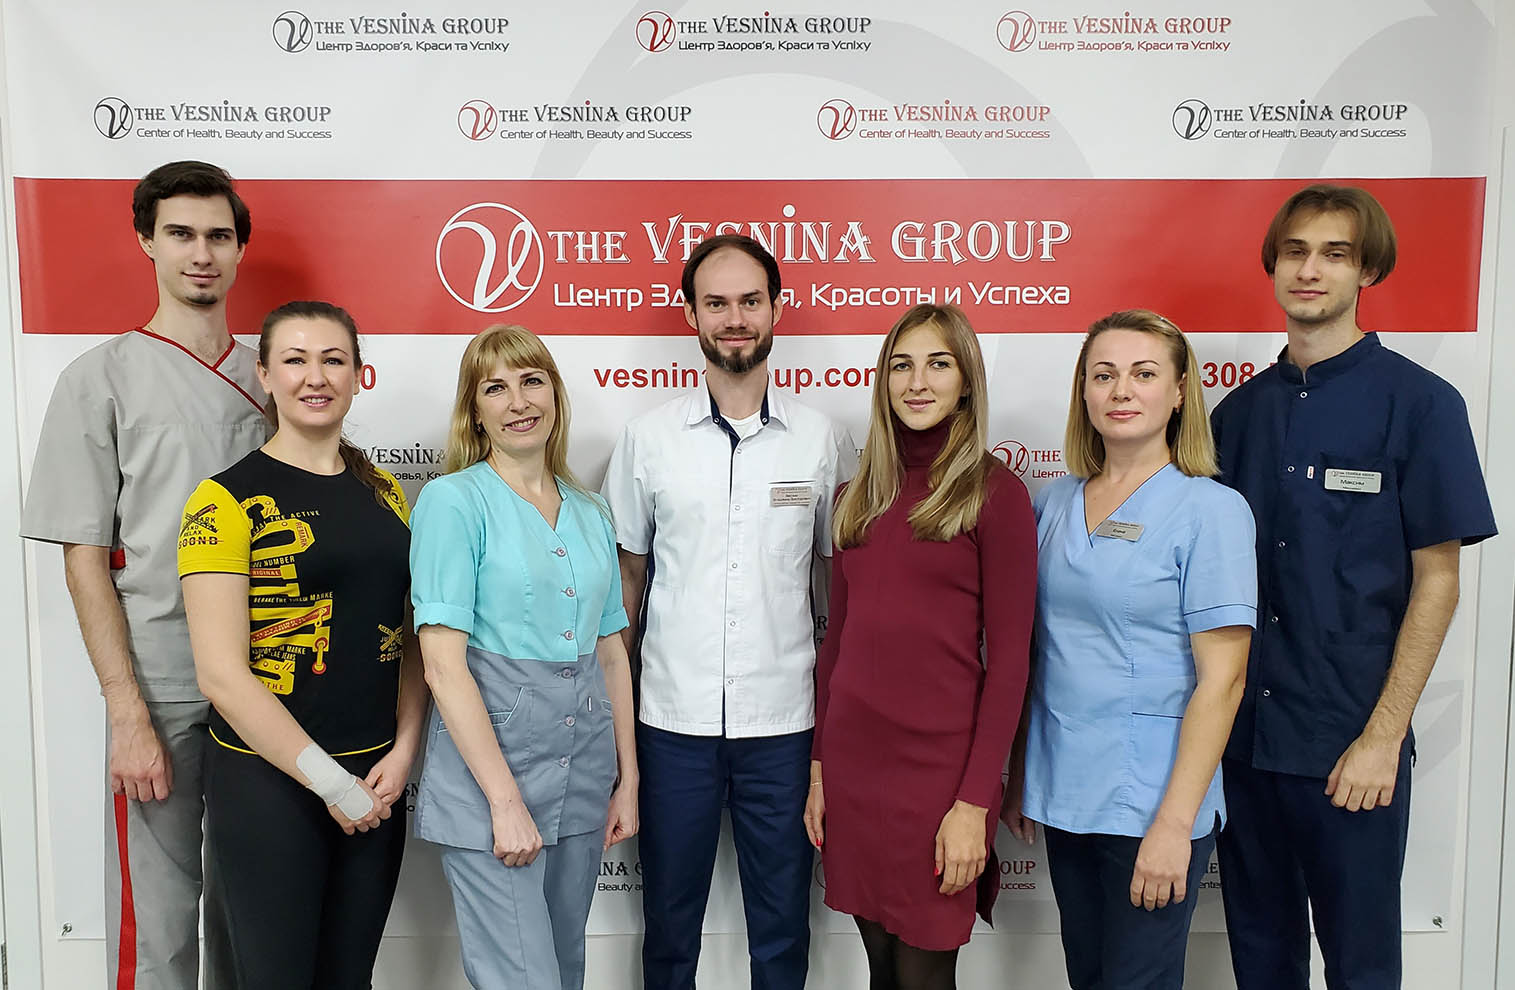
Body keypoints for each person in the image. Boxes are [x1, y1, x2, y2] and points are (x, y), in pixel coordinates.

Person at [1211, 185, 1496, 990]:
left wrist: (1382, 737)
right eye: (1295, 252)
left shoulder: (1421, 404)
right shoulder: (1235, 416)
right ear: (1272, 266)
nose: (1310, 270)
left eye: (1333, 254)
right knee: (1260, 964)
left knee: (1362, 968)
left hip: (1350, 749)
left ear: (1366, 270)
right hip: (1244, 748)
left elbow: (1438, 581)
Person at [19, 160, 265, 990]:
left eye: (218, 236)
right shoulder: (100, 379)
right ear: (146, 241)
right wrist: (126, 712)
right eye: (181, 234)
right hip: (162, 676)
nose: (202, 253)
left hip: (271, 672)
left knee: (254, 906)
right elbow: (83, 558)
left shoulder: (278, 375)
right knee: (155, 920)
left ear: (239, 249)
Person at [601, 234, 855, 990]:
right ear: (690, 314)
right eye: (716, 303)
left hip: (783, 725)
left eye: (750, 301)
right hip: (670, 723)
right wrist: (618, 720)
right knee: (669, 927)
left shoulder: (821, 440)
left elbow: (838, 583)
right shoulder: (647, 439)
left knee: (781, 930)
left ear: (777, 309)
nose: (734, 318)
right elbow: (627, 583)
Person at [1002, 309, 1256, 990]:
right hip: (1063, 789)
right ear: (1083, 391)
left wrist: (1174, 824)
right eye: (1103, 374)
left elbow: (1224, 682)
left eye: (1143, 374)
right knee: (1087, 978)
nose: (1121, 390)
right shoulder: (1051, 503)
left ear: (1178, 392)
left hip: (1153, 799)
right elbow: (1039, 654)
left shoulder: (1211, 511)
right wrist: (1022, 770)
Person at [177, 300, 426, 988]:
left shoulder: (385, 493)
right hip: (269, 784)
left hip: (376, 781)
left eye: (333, 360)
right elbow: (220, 675)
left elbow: (409, 637)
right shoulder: (221, 501)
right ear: (265, 374)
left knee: (350, 978)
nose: (315, 377)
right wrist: (329, 783)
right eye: (295, 359)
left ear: (358, 374)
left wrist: (404, 751)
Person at [803, 304, 1036, 989]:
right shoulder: (856, 496)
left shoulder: (996, 495)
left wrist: (974, 802)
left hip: (941, 777)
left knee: (925, 975)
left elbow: (1010, 666)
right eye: (901, 365)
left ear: (966, 382)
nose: (917, 381)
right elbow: (836, 645)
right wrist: (819, 768)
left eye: (938, 363)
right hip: (853, 767)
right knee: (881, 969)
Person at [408, 324, 638, 990]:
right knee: (522, 979)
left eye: (531, 381)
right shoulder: (454, 502)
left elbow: (611, 654)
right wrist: (504, 803)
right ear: (474, 410)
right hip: (491, 784)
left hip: (582, 773)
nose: (518, 402)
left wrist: (627, 778)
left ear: (555, 394)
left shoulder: (591, 510)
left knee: (564, 969)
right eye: (496, 388)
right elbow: (441, 666)